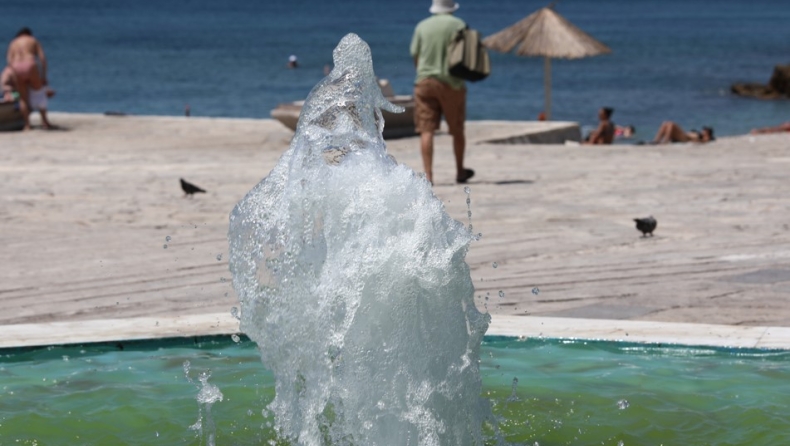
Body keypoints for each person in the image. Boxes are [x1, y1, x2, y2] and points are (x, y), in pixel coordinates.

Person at [410, 0, 474, 184]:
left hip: (425, 82)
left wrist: (422, 74)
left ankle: (429, 176)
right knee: (457, 130)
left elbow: (415, 54)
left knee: (426, 130)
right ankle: (460, 171)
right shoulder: (460, 25)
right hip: (452, 82)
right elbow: (467, 56)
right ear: (452, 7)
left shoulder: (422, 26)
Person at [6, 27, 51, 130]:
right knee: (39, 91)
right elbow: (42, 58)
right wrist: (44, 76)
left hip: (16, 65)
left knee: (22, 98)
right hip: (29, 64)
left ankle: (27, 125)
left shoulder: (13, 42)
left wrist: (13, 74)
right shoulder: (33, 40)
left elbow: (9, 60)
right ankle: (44, 122)